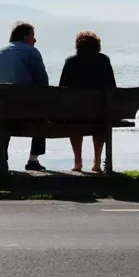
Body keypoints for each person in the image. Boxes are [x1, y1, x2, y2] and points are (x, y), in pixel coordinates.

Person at [0, 21, 48, 171]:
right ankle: (33, 159)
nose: (35, 40)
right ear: (26, 37)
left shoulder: (0, 52)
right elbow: (43, 83)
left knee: (2, 118)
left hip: (1, 110)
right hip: (23, 110)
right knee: (43, 111)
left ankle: (1, 159)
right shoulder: (32, 52)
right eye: (33, 36)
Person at [59, 30, 116, 172]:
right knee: (100, 124)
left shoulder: (70, 62)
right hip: (99, 113)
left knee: (74, 123)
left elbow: (61, 89)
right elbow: (112, 87)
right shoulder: (104, 60)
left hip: (75, 114)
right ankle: (97, 163)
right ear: (97, 45)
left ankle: (78, 163)